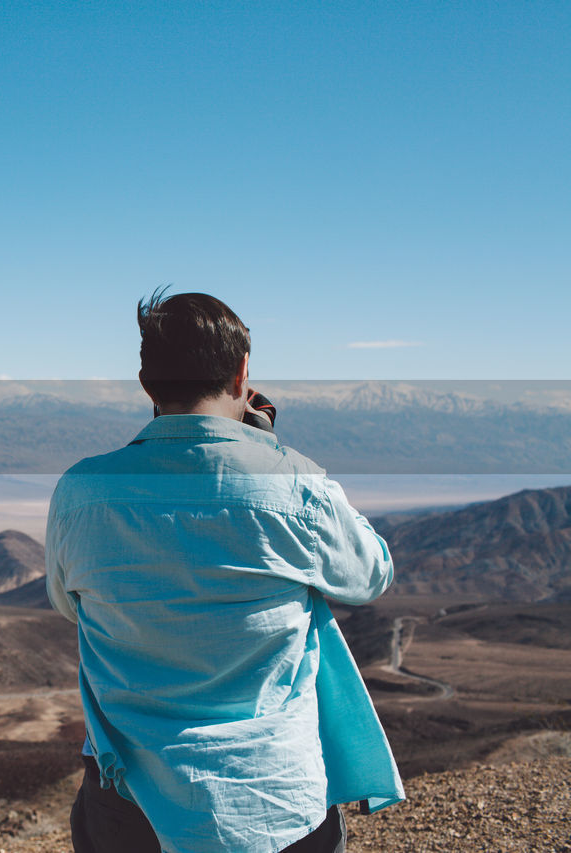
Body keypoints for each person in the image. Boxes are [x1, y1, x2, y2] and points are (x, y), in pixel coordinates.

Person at [46, 290, 403, 853]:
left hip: (127, 800)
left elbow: (70, 605)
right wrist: (269, 447)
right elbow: (371, 573)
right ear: (242, 373)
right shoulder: (294, 483)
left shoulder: (80, 490)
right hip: (273, 798)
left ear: (146, 382)